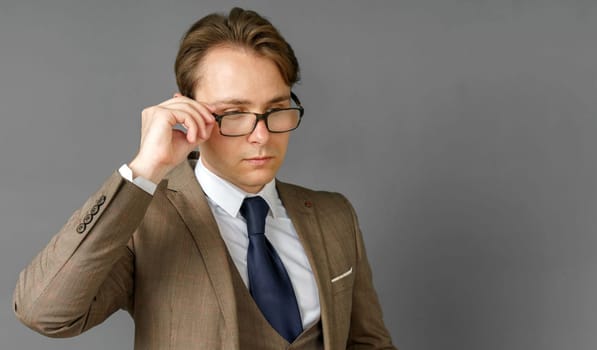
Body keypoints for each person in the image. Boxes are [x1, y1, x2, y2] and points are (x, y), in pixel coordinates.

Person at [13, 7, 396, 350]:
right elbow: (44, 312)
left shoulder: (334, 214)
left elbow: (368, 342)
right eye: (233, 113)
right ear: (188, 110)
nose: (261, 135)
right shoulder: (143, 219)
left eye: (276, 109)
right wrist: (145, 168)